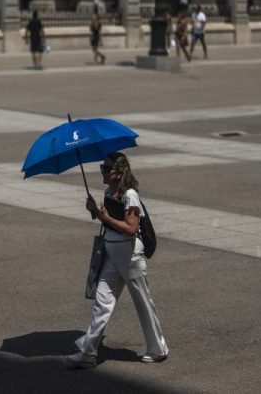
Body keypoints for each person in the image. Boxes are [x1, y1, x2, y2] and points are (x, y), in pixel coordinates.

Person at [66, 152, 169, 368]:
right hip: (112, 253)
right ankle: (88, 352)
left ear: (119, 172)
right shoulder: (108, 191)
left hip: (130, 255)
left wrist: (106, 217)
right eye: (102, 168)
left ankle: (158, 349)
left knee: (143, 302)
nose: (102, 172)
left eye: (106, 169)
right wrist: (95, 211)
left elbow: (131, 228)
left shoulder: (130, 195)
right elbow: (110, 223)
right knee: (102, 302)